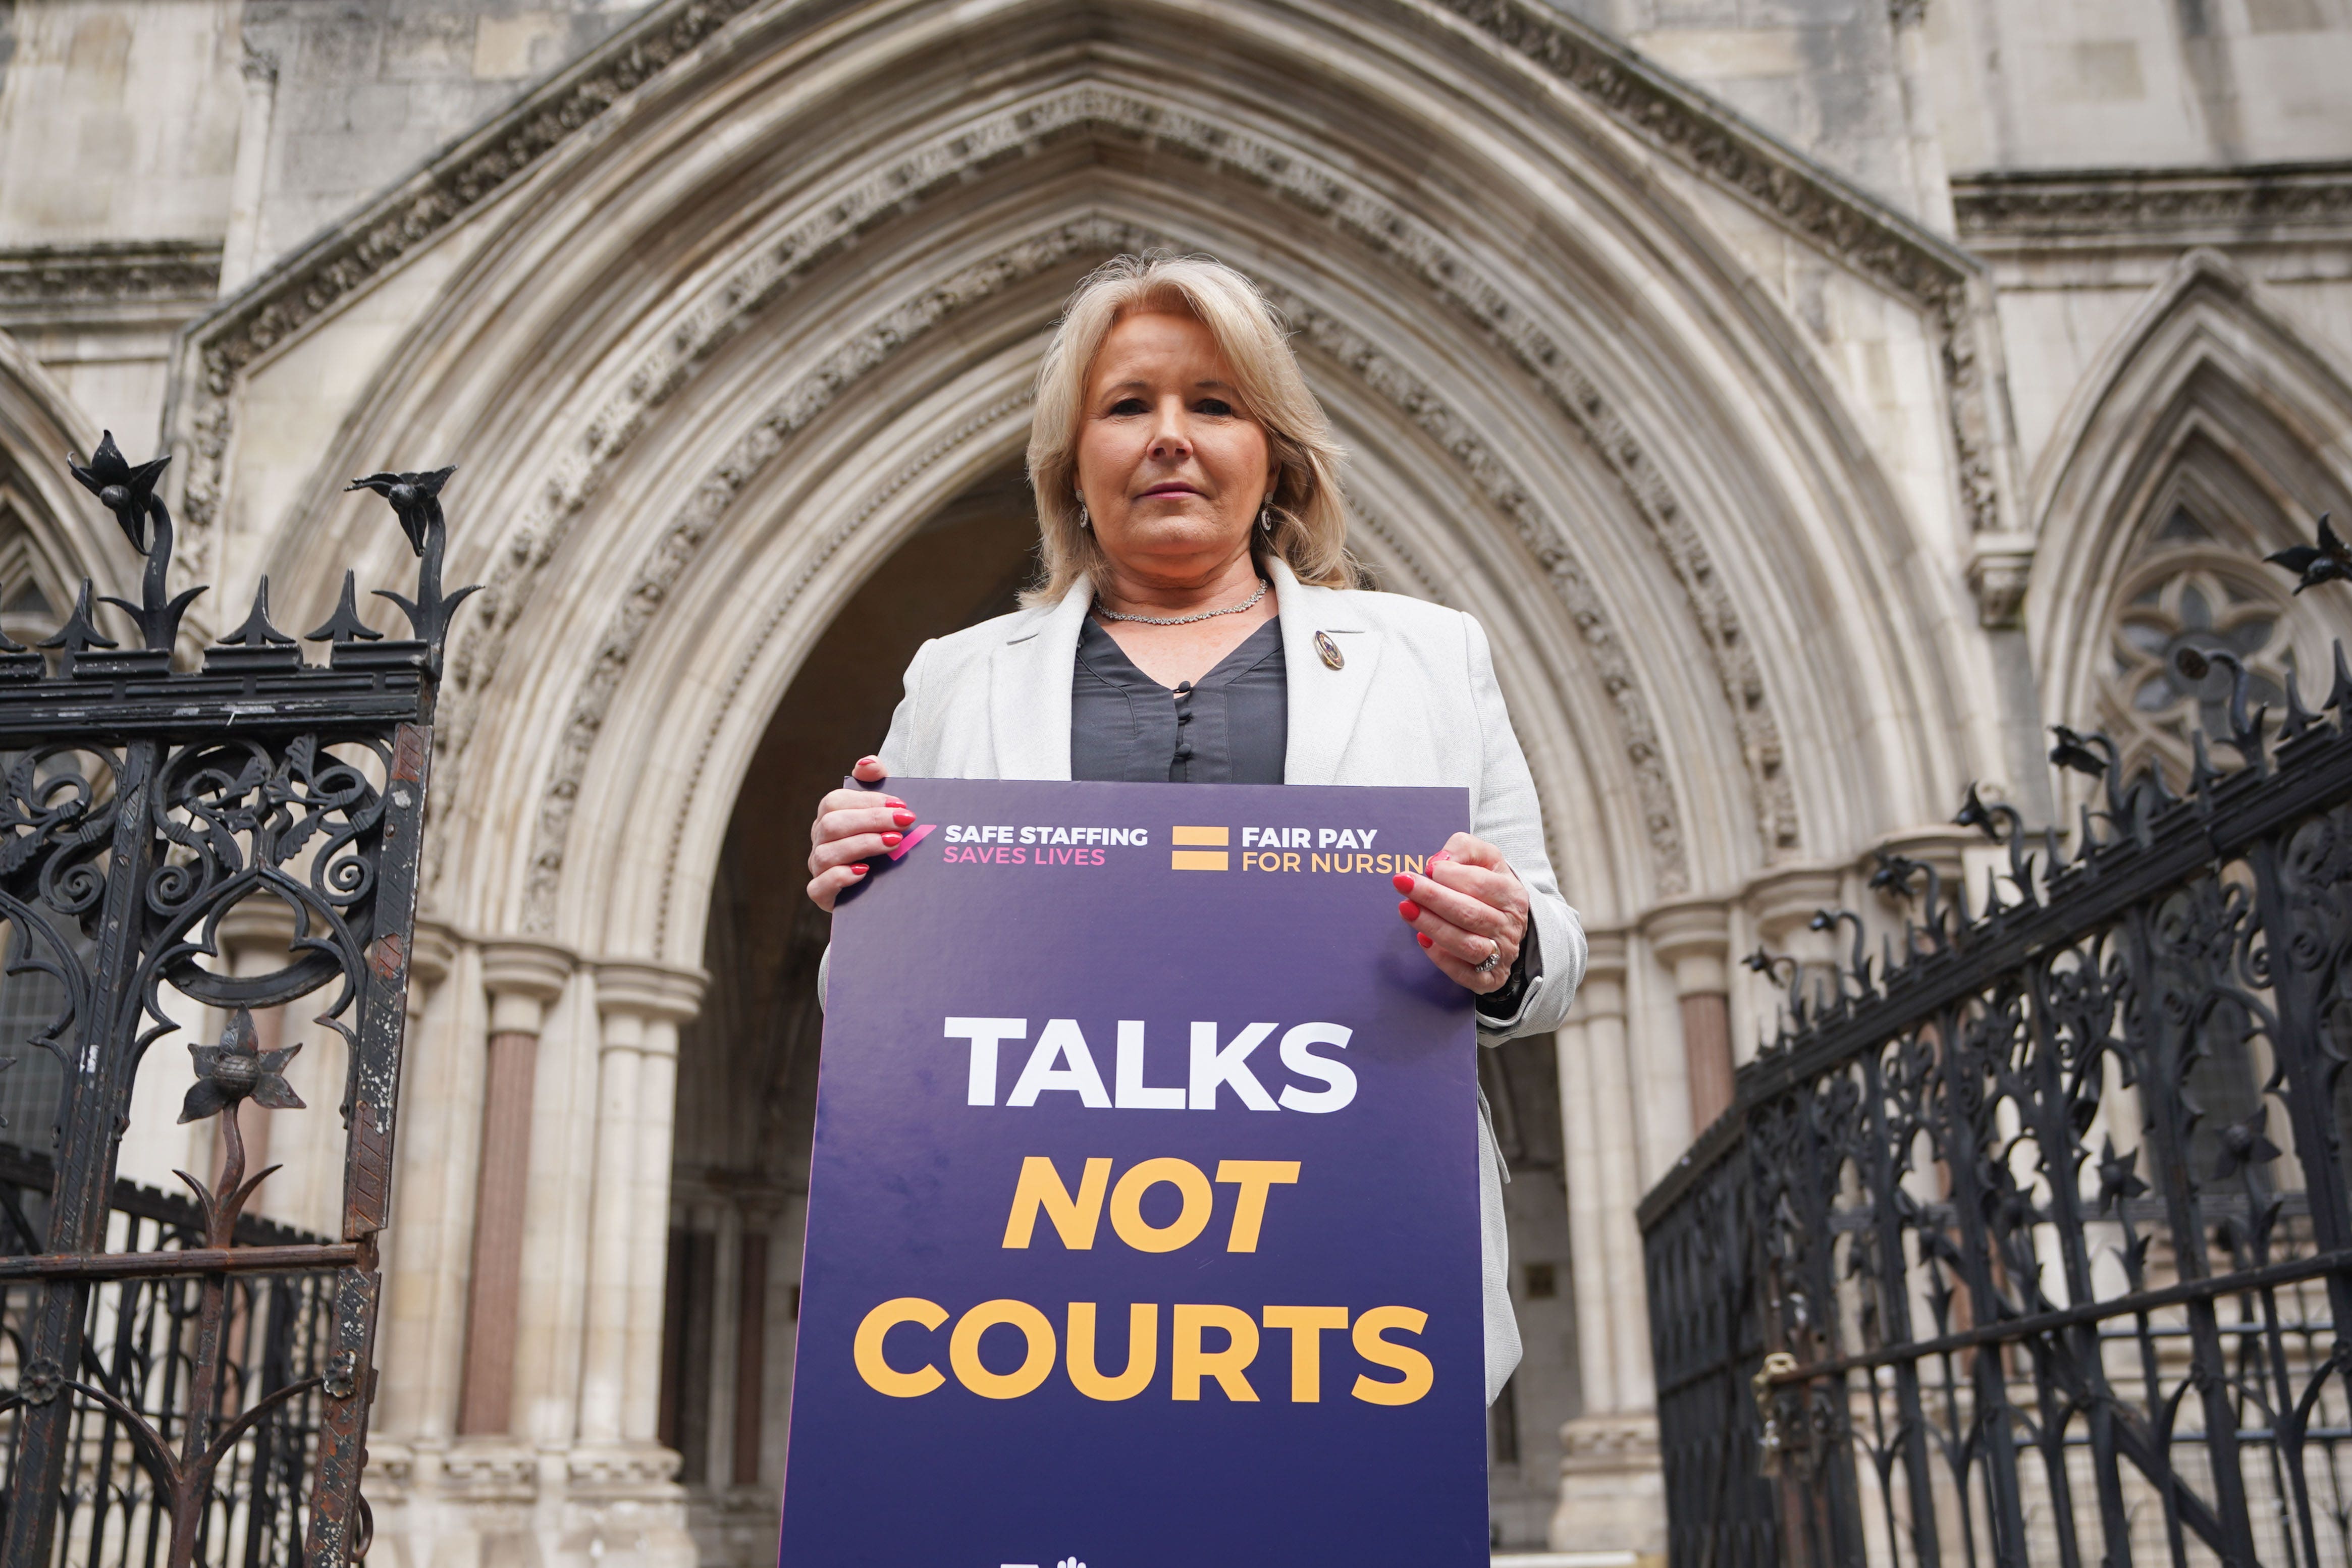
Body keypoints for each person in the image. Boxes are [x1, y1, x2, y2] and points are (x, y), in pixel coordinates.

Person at [804, 252, 1587, 1403]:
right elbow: (875, 1016)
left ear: (1269, 450)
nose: (1169, 436)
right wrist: (863, 901)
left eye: (1211, 404)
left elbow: (1553, 958)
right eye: (1127, 406)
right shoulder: (957, 679)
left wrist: (1508, 938)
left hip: (1354, 1268)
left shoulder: (1427, 655)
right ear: (1073, 465)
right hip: (1033, 1279)